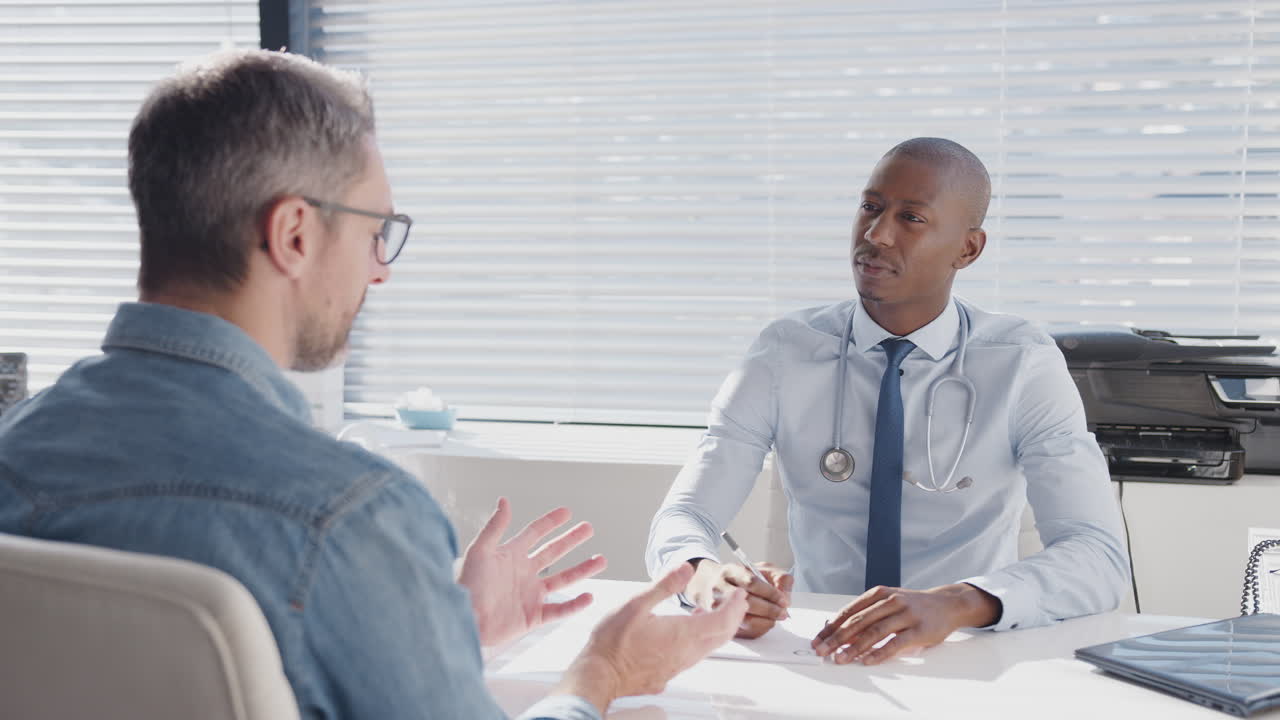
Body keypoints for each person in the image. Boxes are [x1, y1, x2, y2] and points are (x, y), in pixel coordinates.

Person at [0, 49, 747, 720]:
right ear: (293, 234)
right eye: (373, 232)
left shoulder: (16, 449)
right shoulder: (350, 516)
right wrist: (603, 674)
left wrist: (431, 631)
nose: (381, 270)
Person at [646, 137, 1129, 666]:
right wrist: (704, 578)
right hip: (812, 647)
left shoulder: (1022, 364)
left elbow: (1098, 557)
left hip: (965, 653)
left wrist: (960, 602)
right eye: (870, 208)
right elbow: (685, 515)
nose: (875, 235)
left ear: (967, 249)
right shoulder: (784, 352)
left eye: (911, 219)